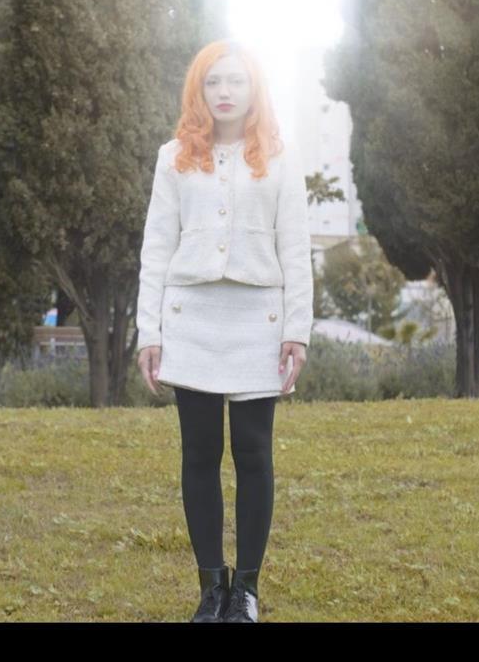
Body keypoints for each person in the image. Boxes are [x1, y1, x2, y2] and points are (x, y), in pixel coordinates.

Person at [135, 39, 313, 623]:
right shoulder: (173, 158)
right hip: (191, 319)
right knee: (200, 451)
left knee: (254, 451)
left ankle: (248, 592)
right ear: (199, 91)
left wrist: (297, 329)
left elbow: (296, 249)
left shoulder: (280, 158)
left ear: (254, 88)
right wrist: (149, 330)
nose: (225, 91)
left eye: (235, 80)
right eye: (213, 82)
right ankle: (213, 589)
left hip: (258, 322)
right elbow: (156, 246)